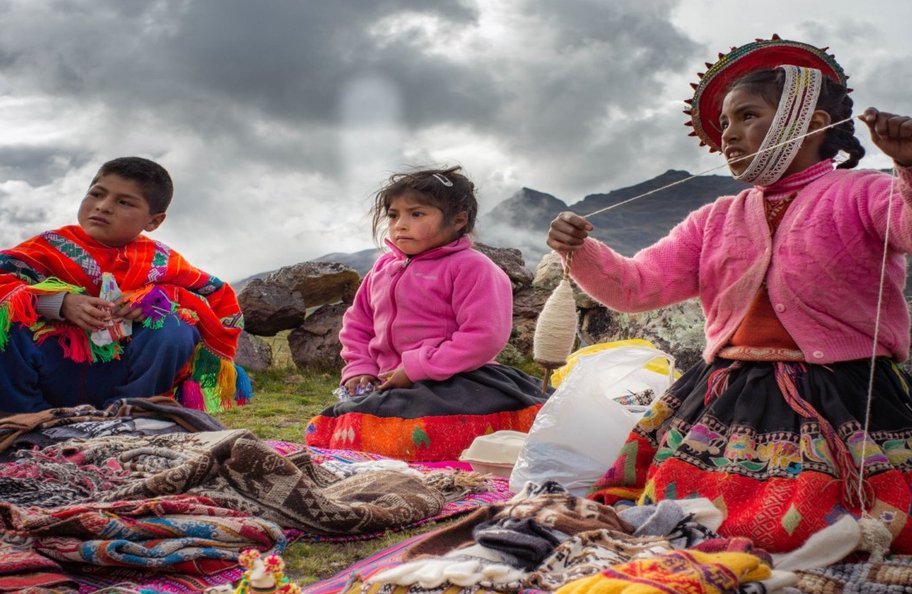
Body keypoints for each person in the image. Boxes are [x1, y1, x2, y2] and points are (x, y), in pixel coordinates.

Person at [546, 37, 912, 555]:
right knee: (679, 507)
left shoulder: (864, 194)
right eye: (725, 125)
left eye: (746, 116)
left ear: (807, 121)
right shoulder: (714, 219)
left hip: (843, 392)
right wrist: (583, 252)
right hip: (730, 390)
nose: (728, 136)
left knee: (811, 524)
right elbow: (637, 286)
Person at [305, 166, 549, 461]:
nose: (400, 225)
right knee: (333, 429)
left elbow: (483, 336)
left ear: (458, 220)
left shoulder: (472, 268)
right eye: (394, 215)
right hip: (387, 384)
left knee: (422, 435)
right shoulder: (382, 270)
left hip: (458, 382)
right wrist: (360, 367)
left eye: (416, 214)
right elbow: (358, 324)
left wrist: (418, 367)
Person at [0, 157, 251, 414]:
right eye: (96, 194)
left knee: (176, 328)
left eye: (124, 202)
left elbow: (209, 298)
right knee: (5, 321)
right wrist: (60, 303)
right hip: (50, 369)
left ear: (154, 221)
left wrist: (154, 303)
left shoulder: (162, 261)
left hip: (123, 374)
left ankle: (130, 414)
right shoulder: (46, 248)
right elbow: (4, 282)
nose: (103, 206)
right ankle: (26, 420)